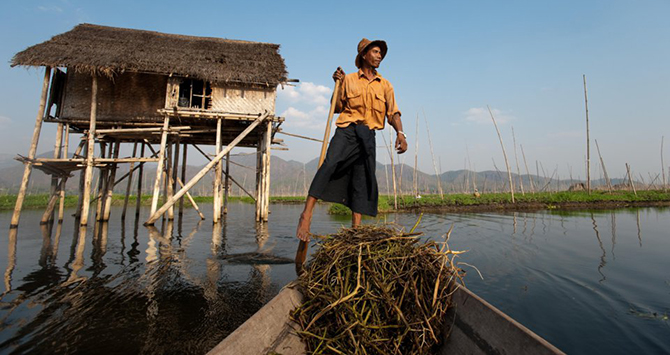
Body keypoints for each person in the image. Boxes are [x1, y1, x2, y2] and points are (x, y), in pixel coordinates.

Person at [296, 38, 407, 243]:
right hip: (347, 130)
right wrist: (337, 86)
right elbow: (337, 108)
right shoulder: (348, 79)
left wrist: (401, 133)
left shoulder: (386, 86)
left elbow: (393, 114)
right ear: (364, 55)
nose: (379, 55)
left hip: (368, 134)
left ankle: (355, 231)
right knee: (329, 165)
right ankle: (306, 215)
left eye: (380, 53)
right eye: (375, 52)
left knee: (362, 179)